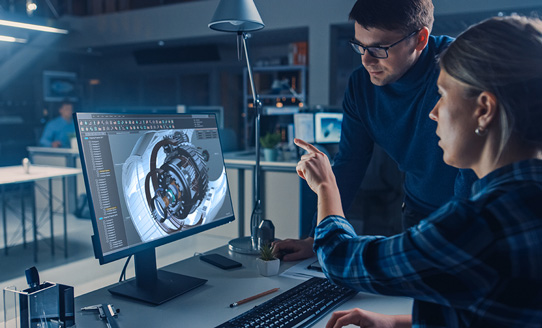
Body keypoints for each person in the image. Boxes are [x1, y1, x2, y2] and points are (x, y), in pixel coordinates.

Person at [295, 15, 542, 327]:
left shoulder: (477, 226)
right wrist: (399, 323)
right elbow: (489, 307)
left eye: (442, 95)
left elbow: (340, 259)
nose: (433, 112)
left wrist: (326, 186)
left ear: (483, 109)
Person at [273, 0, 476, 261]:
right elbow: (350, 163)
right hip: (418, 209)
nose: (367, 60)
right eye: (360, 46)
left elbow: (471, 167)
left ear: (420, 39)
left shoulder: (460, 69)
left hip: (469, 210)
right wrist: (315, 237)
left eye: (380, 48)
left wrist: (464, 232)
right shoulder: (361, 86)